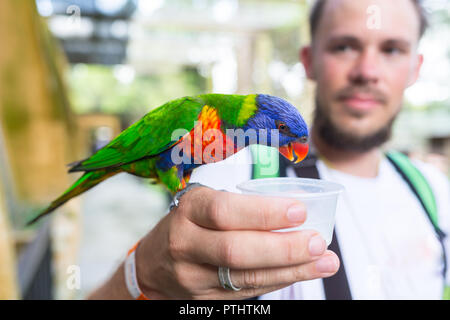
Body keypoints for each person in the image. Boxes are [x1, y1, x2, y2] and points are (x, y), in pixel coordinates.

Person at [88, 0, 450, 300]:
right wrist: (145, 276)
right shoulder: (231, 176)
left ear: (415, 69)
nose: (367, 71)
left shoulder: (435, 191)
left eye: (392, 49)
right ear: (308, 61)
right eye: (344, 46)